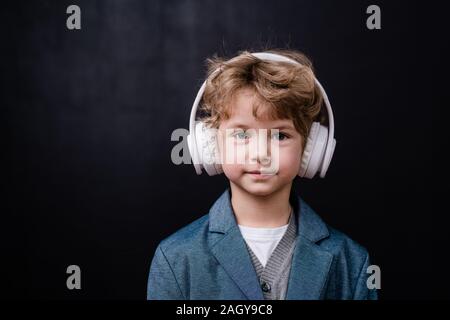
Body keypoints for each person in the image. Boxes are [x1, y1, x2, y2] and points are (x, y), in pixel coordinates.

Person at [147, 49, 378, 300]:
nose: (261, 154)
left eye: (280, 135)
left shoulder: (351, 262)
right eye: (242, 134)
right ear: (211, 145)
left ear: (310, 149)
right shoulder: (176, 258)